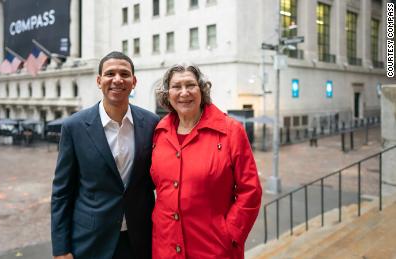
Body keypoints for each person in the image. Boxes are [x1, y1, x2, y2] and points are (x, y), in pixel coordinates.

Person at [51, 51, 159, 259]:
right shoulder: (74, 126)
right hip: (91, 241)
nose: (117, 79)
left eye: (124, 74)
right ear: (99, 81)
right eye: (110, 73)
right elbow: (62, 192)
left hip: (140, 239)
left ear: (134, 81)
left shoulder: (152, 124)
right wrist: (61, 247)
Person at [151, 64, 262, 258]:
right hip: (165, 247)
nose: (184, 92)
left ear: (202, 90)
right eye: (177, 86)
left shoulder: (230, 131)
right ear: (167, 94)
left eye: (190, 85)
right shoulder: (159, 133)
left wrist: (230, 235)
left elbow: (250, 191)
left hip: (214, 249)